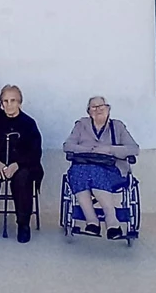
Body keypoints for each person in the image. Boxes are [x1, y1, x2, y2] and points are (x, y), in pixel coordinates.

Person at [63, 95, 139, 239]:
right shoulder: (81, 125)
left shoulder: (118, 126)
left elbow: (134, 148)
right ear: (88, 111)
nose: (98, 109)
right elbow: (67, 146)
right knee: (77, 172)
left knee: (93, 172)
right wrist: (91, 149)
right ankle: (92, 221)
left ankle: (112, 221)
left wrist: (109, 149)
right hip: (83, 170)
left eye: (101, 106)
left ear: (108, 109)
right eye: (94, 107)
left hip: (113, 170)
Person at [0, 84, 43, 242]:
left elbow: (35, 151)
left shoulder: (29, 124)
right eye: (5, 101)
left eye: (13, 100)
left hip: (21, 165)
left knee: (23, 178)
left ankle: (23, 225)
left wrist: (17, 164)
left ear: (20, 102)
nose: (9, 105)